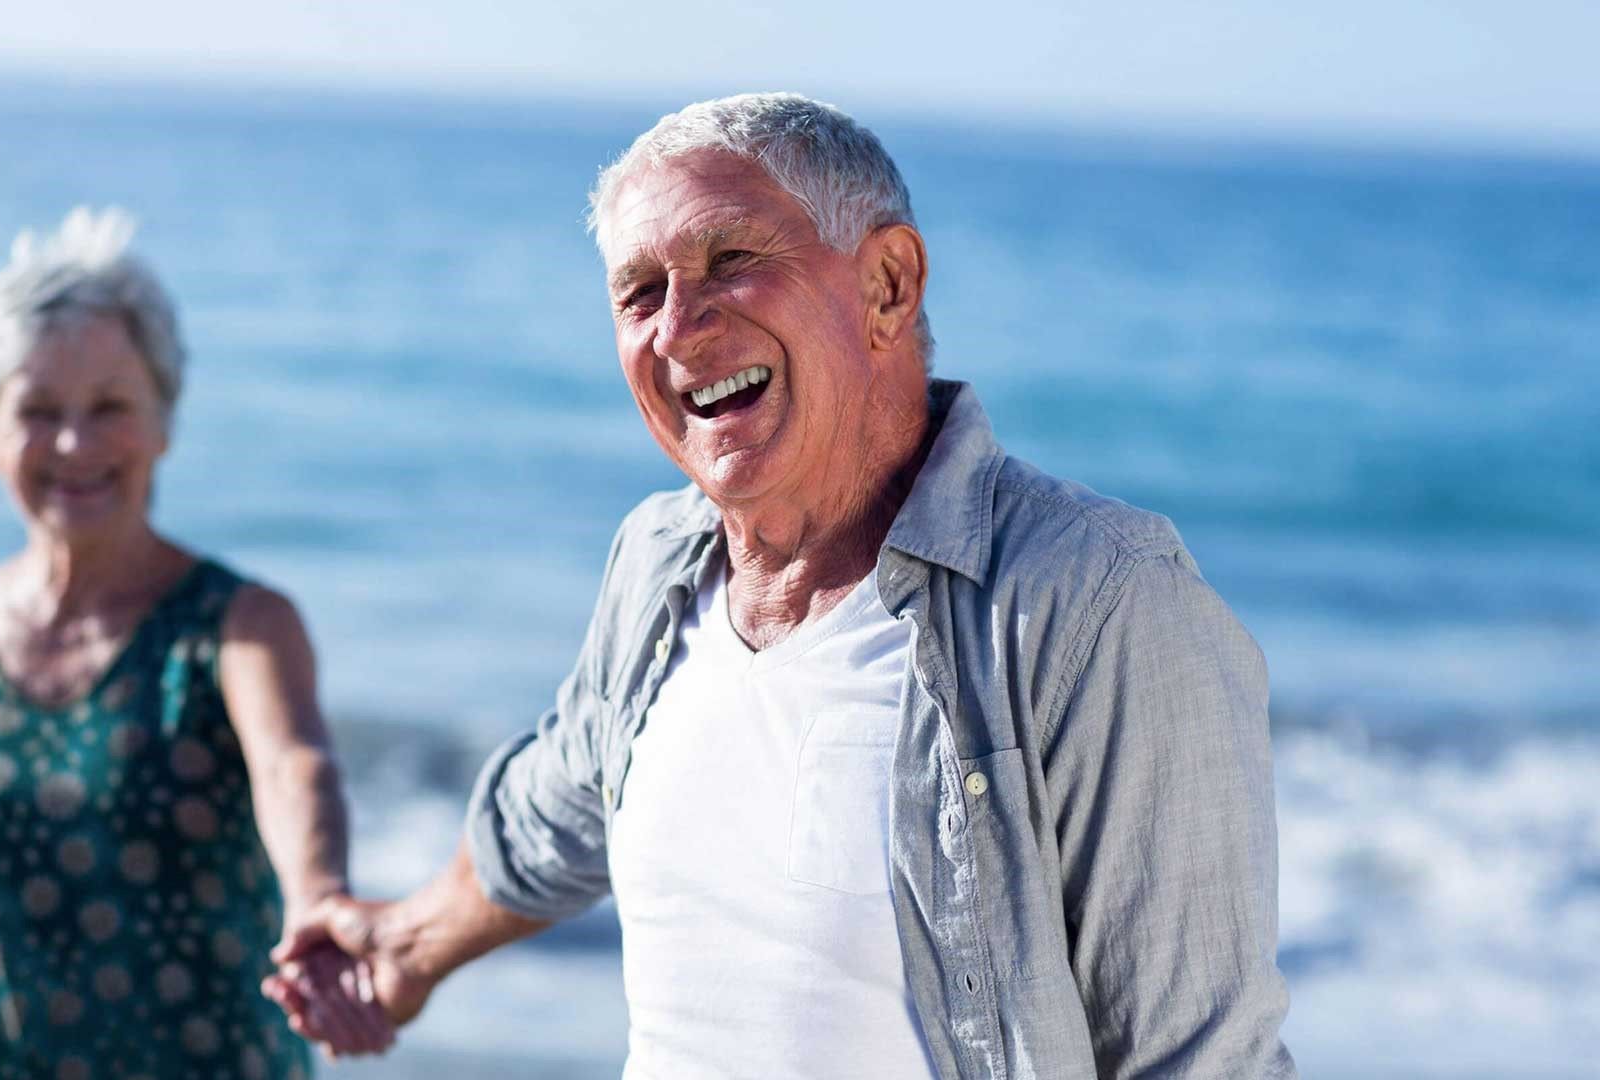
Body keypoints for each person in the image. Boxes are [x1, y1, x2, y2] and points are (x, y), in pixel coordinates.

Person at [267, 94, 1297, 1078]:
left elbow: (1201, 1061)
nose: (676, 328)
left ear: (889, 285)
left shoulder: (1097, 602)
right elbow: (560, 812)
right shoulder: (657, 564)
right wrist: (401, 952)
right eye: (639, 292)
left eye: (732, 260)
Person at [0, 208, 392, 1079]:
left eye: (110, 406)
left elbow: (298, 770)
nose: (75, 443)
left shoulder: (239, 627)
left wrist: (318, 898)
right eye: (37, 409)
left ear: (164, 422)